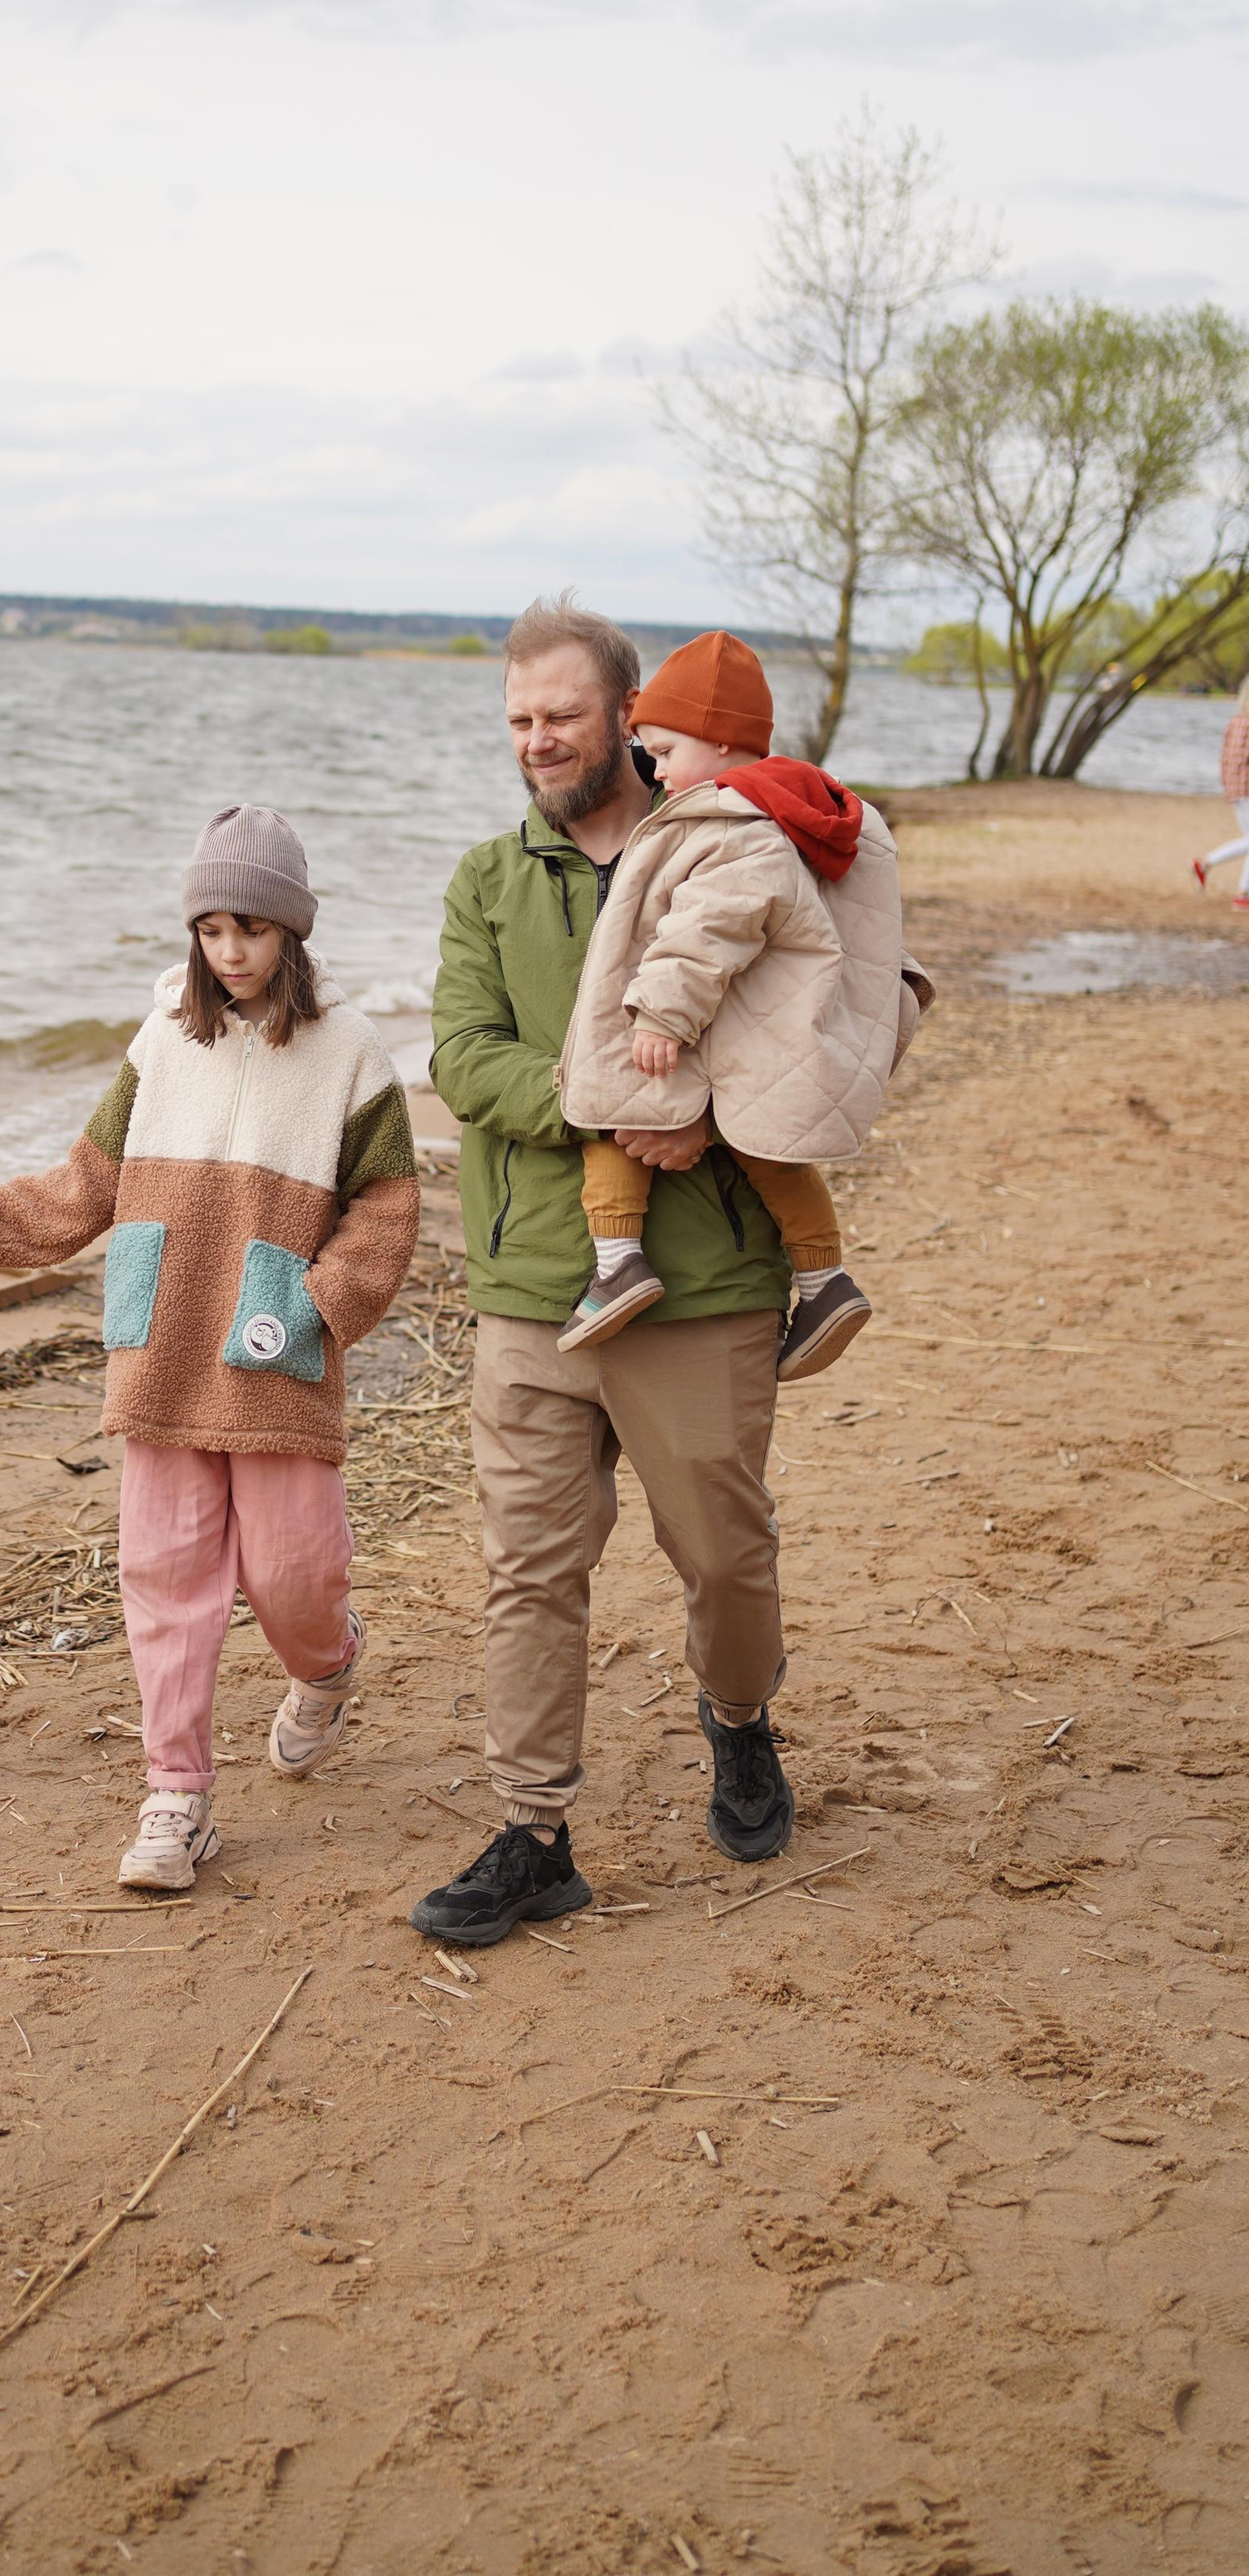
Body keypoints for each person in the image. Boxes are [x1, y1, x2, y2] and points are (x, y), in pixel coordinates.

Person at [0, 808, 418, 1893]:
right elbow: (87, 1183)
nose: (230, 953)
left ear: (292, 932)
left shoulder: (350, 1051)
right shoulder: (161, 1044)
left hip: (277, 1353)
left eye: (251, 930)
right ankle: (177, 1798)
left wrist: (321, 1301)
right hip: (164, 1352)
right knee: (166, 1576)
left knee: (296, 1574)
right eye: (212, 930)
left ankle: (328, 1667)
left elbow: (386, 1204)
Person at [412, 596, 806, 1951]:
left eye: (561, 717)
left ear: (631, 721)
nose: (536, 742)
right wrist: (601, 1104)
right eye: (518, 720)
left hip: (704, 1281)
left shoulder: (731, 849)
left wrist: (711, 1101)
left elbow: (824, 1012)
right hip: (531, 1284)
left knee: (725, 1558)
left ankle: (741, 1719)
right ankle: (535, 1835)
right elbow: (461, 1057)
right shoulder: (487, 879)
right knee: (528, 1569)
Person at [554, 628, 918, 1381]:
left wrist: (659, 1013)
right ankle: (822, 1280)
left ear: (719, 742)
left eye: (662, 750)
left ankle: (618, 1261)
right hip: (788, 1034)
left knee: (609, 1108)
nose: (653, 771)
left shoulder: (736, 822)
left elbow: (709, 928)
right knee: (776, 1157)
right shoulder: (813, 809)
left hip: (717, 1027)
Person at [1191, 672, 1249, 907]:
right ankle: (1206, 863)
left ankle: (1244, 895)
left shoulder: (1235, 721)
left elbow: (1225, 758)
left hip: (1236, 788)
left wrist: (1227, 786)